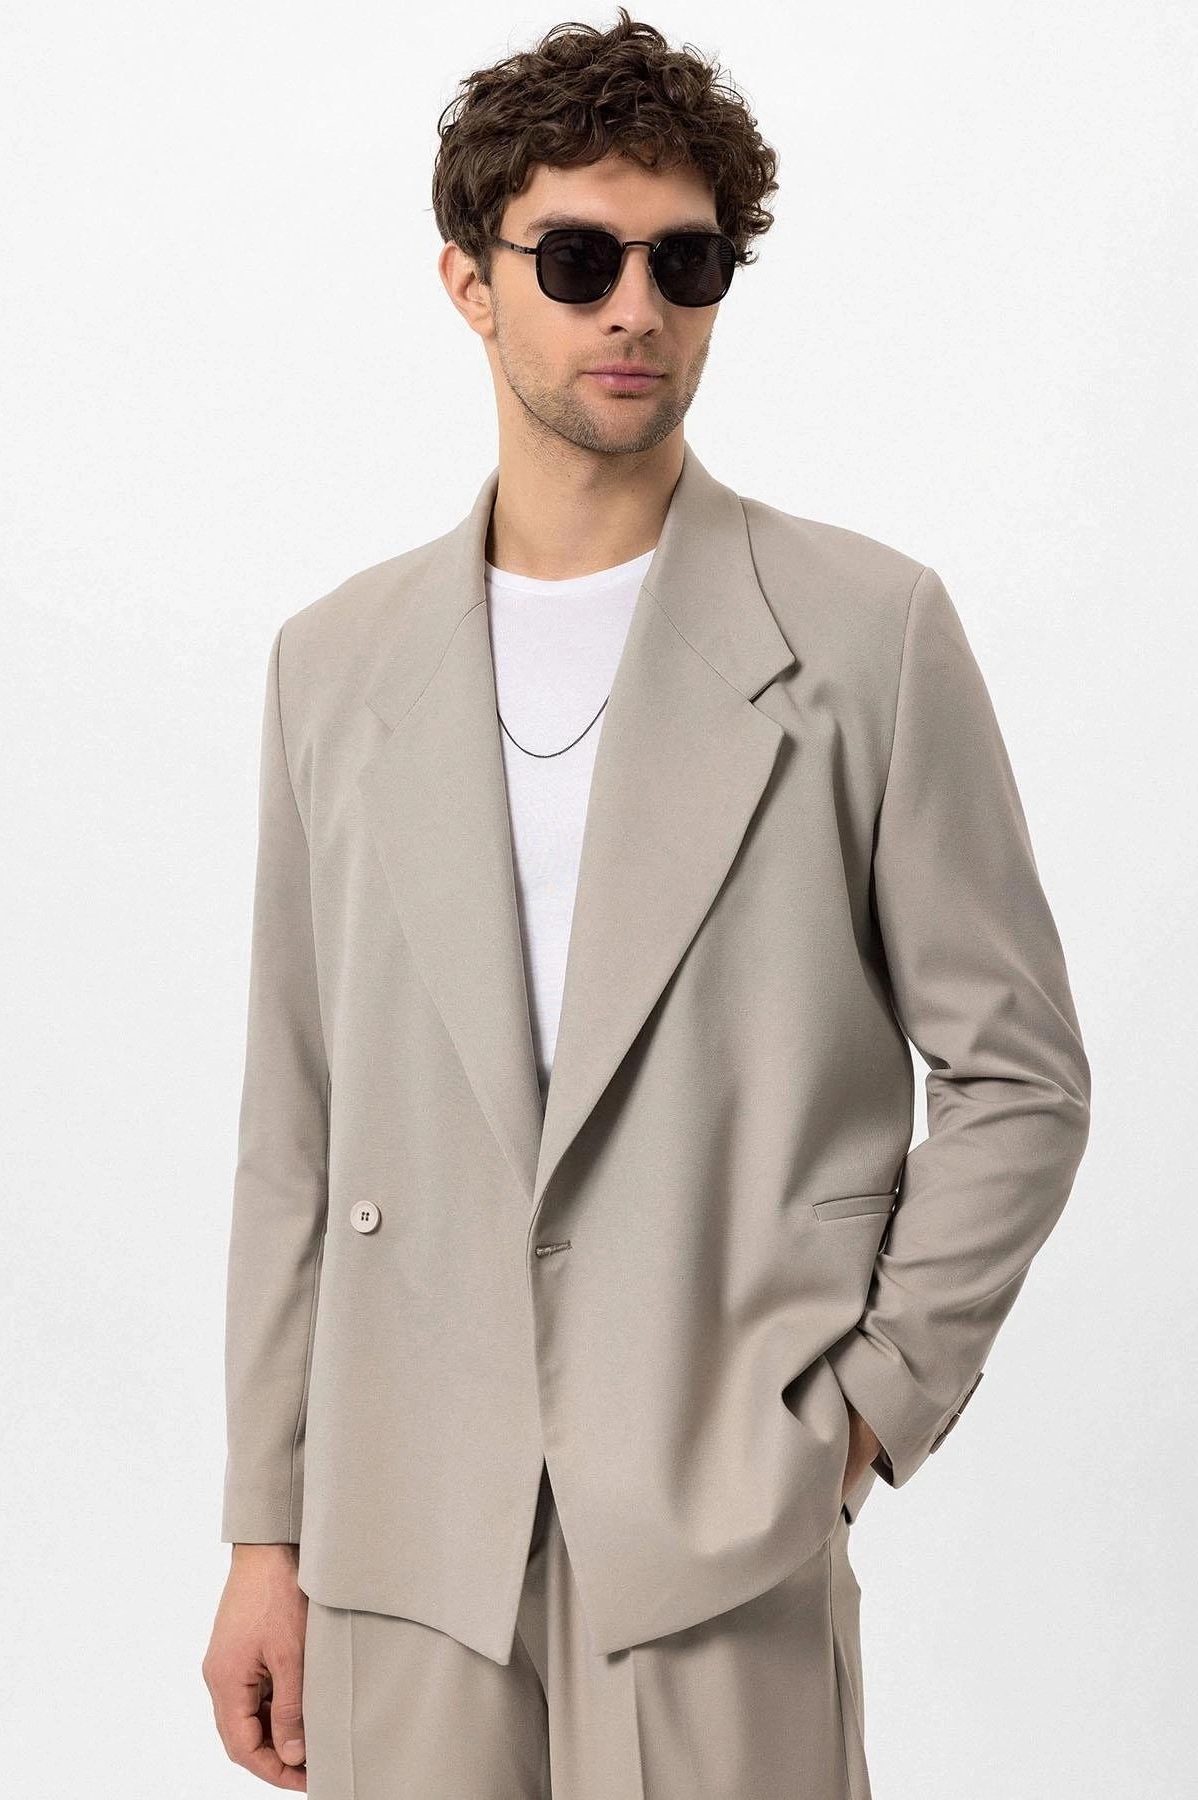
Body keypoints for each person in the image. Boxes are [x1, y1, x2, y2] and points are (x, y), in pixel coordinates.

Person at [201, 11, 1091, 1796]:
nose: (636, 309)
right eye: (579, 259)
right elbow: (297, 1128)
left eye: (686, 264)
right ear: (469, 281)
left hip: (716, 1516)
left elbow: (1018, 1076)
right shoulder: (334, 664)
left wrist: (857, 1413)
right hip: (401, 1529)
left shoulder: (865, 634)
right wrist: (263, 1530)